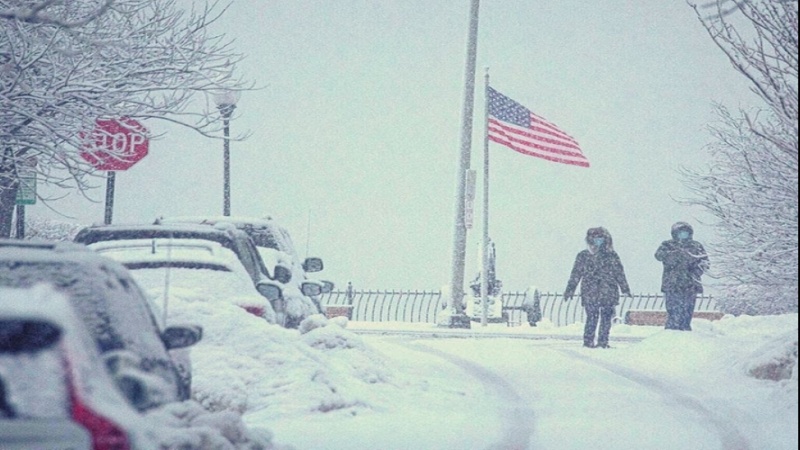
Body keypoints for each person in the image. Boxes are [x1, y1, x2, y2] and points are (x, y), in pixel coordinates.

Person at [563, 227, 631, 348]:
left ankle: (602, 341)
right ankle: (590, 341)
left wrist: (625, 288)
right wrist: (570, 289)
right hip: (594, 291)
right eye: (595, 238)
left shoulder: (611, 255)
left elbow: (619, 273)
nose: (598, 241)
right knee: (592, 317)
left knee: (605, 318)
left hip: (603, 291)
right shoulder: (584, 256)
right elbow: (576, 274)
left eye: (600, 238)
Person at [655, 222, 709, 331]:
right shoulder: (667, 245)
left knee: (687, 309)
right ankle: (672, 329)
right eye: (680, 233)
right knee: (673, 309)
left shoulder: (696, 246)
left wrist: (694, 273)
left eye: (685, 233)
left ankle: (685, 329)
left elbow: (705, 264)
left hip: (690, 284)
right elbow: (658, 256)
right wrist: (675, 254)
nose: (683, 235)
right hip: (672, 284)